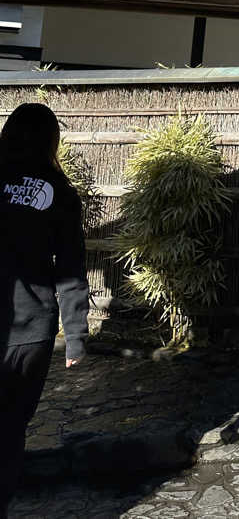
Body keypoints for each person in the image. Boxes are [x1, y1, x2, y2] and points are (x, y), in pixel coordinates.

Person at [0, 102, 89, 518]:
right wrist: (75, 337)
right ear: (51, 141)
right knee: (11, 426)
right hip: (34, 330)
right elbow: (69, 267)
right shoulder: (61, 193)